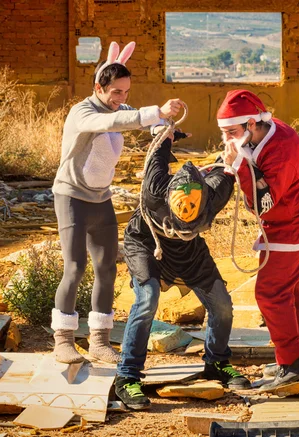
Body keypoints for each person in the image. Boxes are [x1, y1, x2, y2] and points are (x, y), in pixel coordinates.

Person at [50, 41, 183, 364]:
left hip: (100, 198)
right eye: (116, 92)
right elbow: (111, 124)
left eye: (125, 92)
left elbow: (136, 120)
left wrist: (165, 126)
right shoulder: (83, 112)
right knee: (75, 266)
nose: (121, 99)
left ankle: (99, 341)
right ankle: (63, 339)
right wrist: (155, 113)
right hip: (71, 196)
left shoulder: (119, 108)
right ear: (99, 87)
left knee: (106, 267)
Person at [115, 129, 251, 410]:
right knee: (147, 299)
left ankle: (217, 363)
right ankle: (127, 377)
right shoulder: (154, 190)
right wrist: (166, 134)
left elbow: (225, 166)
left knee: (222, 305)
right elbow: (157, 154)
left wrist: (232, 150)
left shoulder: (216, 193)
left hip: (189, 252)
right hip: (146, 243)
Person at [218, 89, 299, 391]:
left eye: (232, 133)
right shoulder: (265, 133)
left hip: (291, 228)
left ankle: (292, 365)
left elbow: (263, 202)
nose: (229, 141)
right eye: (224, 134)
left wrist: (238, 166)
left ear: (251, 124)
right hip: (292, 225)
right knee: (291, 286)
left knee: (270, 293)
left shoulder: (282, 149)